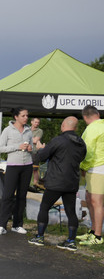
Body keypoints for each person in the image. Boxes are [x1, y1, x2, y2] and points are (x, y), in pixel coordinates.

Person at [27, 116, 86, 251]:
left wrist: (41, 148)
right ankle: (71, 241)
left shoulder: (58, 140)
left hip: (55, 181)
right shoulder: (81, 143)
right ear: (75, 128)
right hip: (72, 182)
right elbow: (81, 157)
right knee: (71, 212)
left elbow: (41, 157)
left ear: (63, 126)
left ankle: (40, 237)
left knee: (45, 207)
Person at [0, 107, 34, 235]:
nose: (26, 118)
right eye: (23, 116)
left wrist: (31, 148)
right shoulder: (7, 130)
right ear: (16, 117)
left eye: (27, 115)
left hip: (27, 165)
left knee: (22, 196)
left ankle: (17, 225)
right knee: (8, 196)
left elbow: (32, 147)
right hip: (13, 165)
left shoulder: (28, 131)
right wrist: (17, 147)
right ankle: (2, 225)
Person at [78, 105, 104, 246]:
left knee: (96, 202)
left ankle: (98, 236)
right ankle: (93, 230)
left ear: (85, 117)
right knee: (89, 199)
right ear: (97, 114)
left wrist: (82, 167)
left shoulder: (91, 129)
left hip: (97, 168)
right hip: (96, 168)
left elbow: (87, 151)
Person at [30, 117, 44, 189]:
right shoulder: (27, 129)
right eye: (35, 122)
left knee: (35, 169)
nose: (37, 124)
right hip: (26, 151)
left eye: (38, 122)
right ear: (31, 122)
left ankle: (35, 185)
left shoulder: (39, 131)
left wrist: (27, 138)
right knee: (27, 169)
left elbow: (35, 141)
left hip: (35, 152)